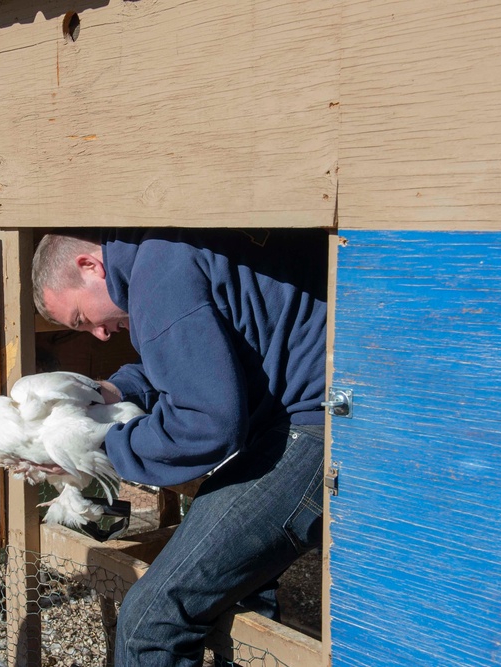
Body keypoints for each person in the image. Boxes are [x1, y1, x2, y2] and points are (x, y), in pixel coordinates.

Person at [32, 227, 328, 666]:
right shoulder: (165, 253)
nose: (99, 334)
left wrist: (101, 454)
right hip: (326, 401)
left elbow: (206, 424)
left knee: (150, 625)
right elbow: (195, 355)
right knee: (239, 588)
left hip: (324, 424)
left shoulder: (157, 277)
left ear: (89, 266)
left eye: (81, 318)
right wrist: (113, 390)